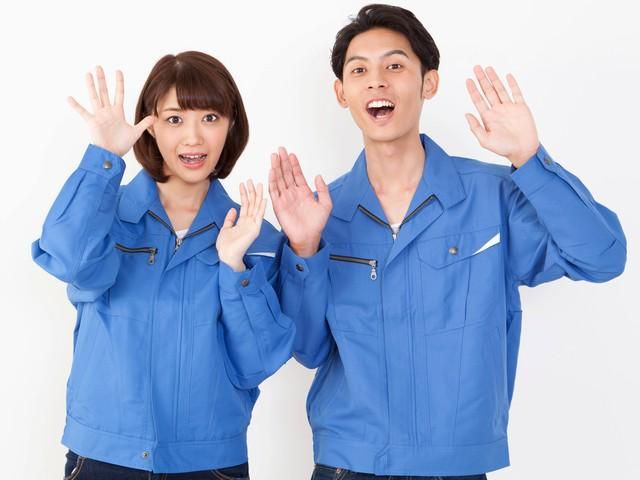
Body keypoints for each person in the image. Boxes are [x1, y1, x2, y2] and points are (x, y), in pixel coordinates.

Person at [268, 4, 627, 479]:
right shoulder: (321, 214)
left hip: (457, 465)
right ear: (341, 93)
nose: (376, 82)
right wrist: (303, 250)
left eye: (395, 66)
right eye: (359, 71)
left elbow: (603, 257)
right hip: (349, 465)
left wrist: (531, 159)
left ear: (429, 82)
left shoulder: (493, 196)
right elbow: (308, 350)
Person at [32, 51, 296, 479]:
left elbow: (257, 361)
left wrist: (234, 268)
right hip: (103, 457)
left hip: (209, 465)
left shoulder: (254, 238)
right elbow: (65, 258)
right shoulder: (107, 214)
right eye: (175, 119)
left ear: (231, 125)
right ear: (150, 126)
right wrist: (103, 158)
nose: (193, 137)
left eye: (210, 117)